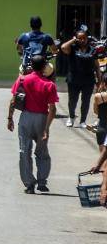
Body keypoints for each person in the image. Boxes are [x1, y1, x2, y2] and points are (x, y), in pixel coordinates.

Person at [7, 55, 58, 194]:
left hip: (26, 118)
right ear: (44, 67)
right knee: (42, 152)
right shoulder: (50, 85)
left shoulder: (22, 80)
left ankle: (29, 184)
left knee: (24, 151)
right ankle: (42, 182)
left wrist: (10, 118)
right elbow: (52, 109)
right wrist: (46, 128)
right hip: (42, 119)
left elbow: (13, 100)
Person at [60, 30, 99, 128]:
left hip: (88, 80)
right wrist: (73, 40)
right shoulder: (72, 49)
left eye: (84, 38)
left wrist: (99, 80)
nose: (82, 40)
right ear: (76, 38)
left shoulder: (93, 49)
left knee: (85, 101)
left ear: (87, 38)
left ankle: (83, 121)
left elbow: (97, 66)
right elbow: (63, 47)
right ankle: (71, 117)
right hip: (73, 80)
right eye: (80, 38)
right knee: (72, 101)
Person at [91, 74, 107, 153]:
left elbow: (96, 111)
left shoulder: (98, 96)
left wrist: (100, 90)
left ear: (104, 83)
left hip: (102, 127)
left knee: (102, 156)